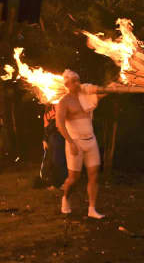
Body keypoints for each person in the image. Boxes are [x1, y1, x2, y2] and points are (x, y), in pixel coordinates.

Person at [56, 69, 119, 219]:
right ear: (67, 84)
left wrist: (113, 87)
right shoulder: (64, 101)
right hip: (75, 142)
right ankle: (65, 198)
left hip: (90, 140)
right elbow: (59, 124)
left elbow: (102, 94)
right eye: (74, 81)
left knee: (94, 175)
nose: (78, 83)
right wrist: (70, 142)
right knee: (74, 178)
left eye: (79, 80)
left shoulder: (85, 96)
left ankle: (92, 209)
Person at [42, 104, 67, 189]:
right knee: (52, 160)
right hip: (52, 136)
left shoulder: (60, 103)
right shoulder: (48, 107)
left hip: (62, 135)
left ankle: (62, 182)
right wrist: (44, 139)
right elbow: (46, 123)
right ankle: (55, 183)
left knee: (60, 159)